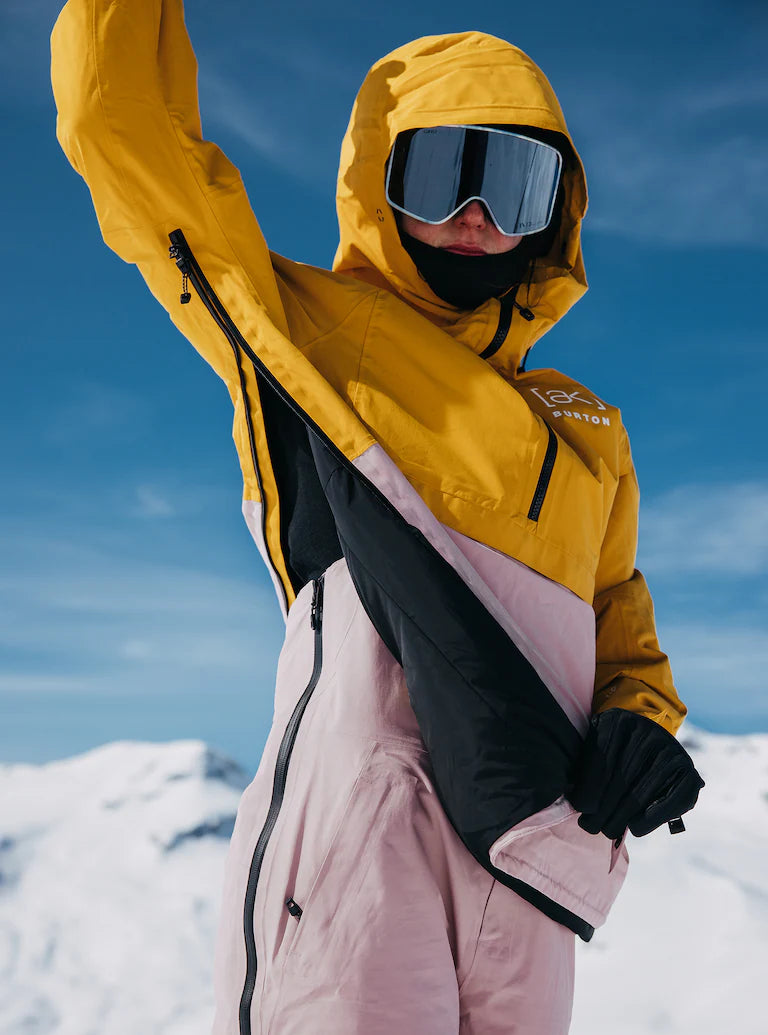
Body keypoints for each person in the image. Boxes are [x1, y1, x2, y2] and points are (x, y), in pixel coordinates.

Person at [51, 2, 704, 1032]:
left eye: (516, 184)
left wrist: (640, 719)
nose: (477, 214)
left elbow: (615, 605)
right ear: (376, 181)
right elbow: (119, 129)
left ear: (557, 215)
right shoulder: (300, 332)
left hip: (532, 856)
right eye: (444, 174)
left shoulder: (584, 427)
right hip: (361, 853)